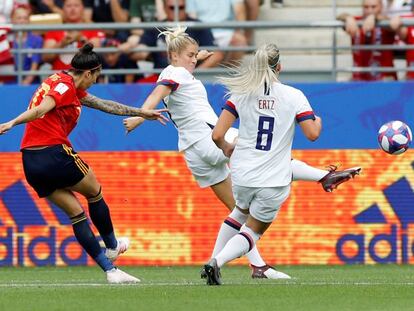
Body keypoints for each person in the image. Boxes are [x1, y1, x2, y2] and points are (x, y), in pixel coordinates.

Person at [123, 27, 361, 279]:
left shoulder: (179, 71)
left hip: (193, 152)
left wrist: (199, 56)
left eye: (195, 55)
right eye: (190, 55)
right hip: (210, 141)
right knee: (268, 154)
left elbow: (175, 79)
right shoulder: (176, 72)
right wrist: (140, 116)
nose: (193, 59)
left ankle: (244, 265)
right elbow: (157, 93)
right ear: (173, 55)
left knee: (238, 211)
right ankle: (323, 176)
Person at [0, 43, 168, 284]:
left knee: (76, 214)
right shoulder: (64, 87)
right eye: (96, 76)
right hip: (54, 153)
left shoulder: (66, 83)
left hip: (31, 162)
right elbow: (41, 110)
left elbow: (105, 105)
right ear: (88, 73)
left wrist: (142, 112)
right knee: (95, 191)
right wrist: (11, 123)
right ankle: (111, 245)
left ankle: (111, 271)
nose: (95, 82)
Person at [203, 43, 322, 285]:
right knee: (253, 230)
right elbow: (312, 134)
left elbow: (217, 135)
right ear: (280, 67)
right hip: (272, 179)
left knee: (240, 212)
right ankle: (218, 261)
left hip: (242, 175)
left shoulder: (242, 94)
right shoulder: (293, 95)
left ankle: (214, 259)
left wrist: (226, 148)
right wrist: (317, 120)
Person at [129, 0, 223, 80]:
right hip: (162, 78)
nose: (177, 11)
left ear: (186, 7)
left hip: (190, 80)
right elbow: (142, 50)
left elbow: (216, 54)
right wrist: (134, 49)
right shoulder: (156, 27)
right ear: (165, 8)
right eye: (172, 8)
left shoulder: (197, 26)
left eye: (181, 7)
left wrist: (193, 74)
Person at [337, 0, 397, 81]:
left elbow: (392, 24)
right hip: (360, 79)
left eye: (373, 7)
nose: (369, 10)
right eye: (366, 7)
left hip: (384, 79)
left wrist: (375, 17)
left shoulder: (385, 21)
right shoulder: (357, 21)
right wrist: (348, 18)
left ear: (381, 7)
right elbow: (339, 17)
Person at [42, 0, 104, 71]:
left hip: (84, 79)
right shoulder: (54, 30)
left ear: (82, 8)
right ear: (63, 9)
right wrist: (61, 44)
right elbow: (45, 57)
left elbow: (99, 56)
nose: (72, 9)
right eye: (69, 6)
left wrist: (83, 41)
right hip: (59, 79)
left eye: (76, 5)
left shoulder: (91, 29)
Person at [11, 4, 44, 85]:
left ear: (29, 20)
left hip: (31, 83)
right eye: (19, 18)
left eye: (25, 18)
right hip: (10, 81)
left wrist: (25, 83)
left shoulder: (37, 39)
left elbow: (34, 65)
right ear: (12, 19)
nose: (22, 21)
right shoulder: (6, 39)